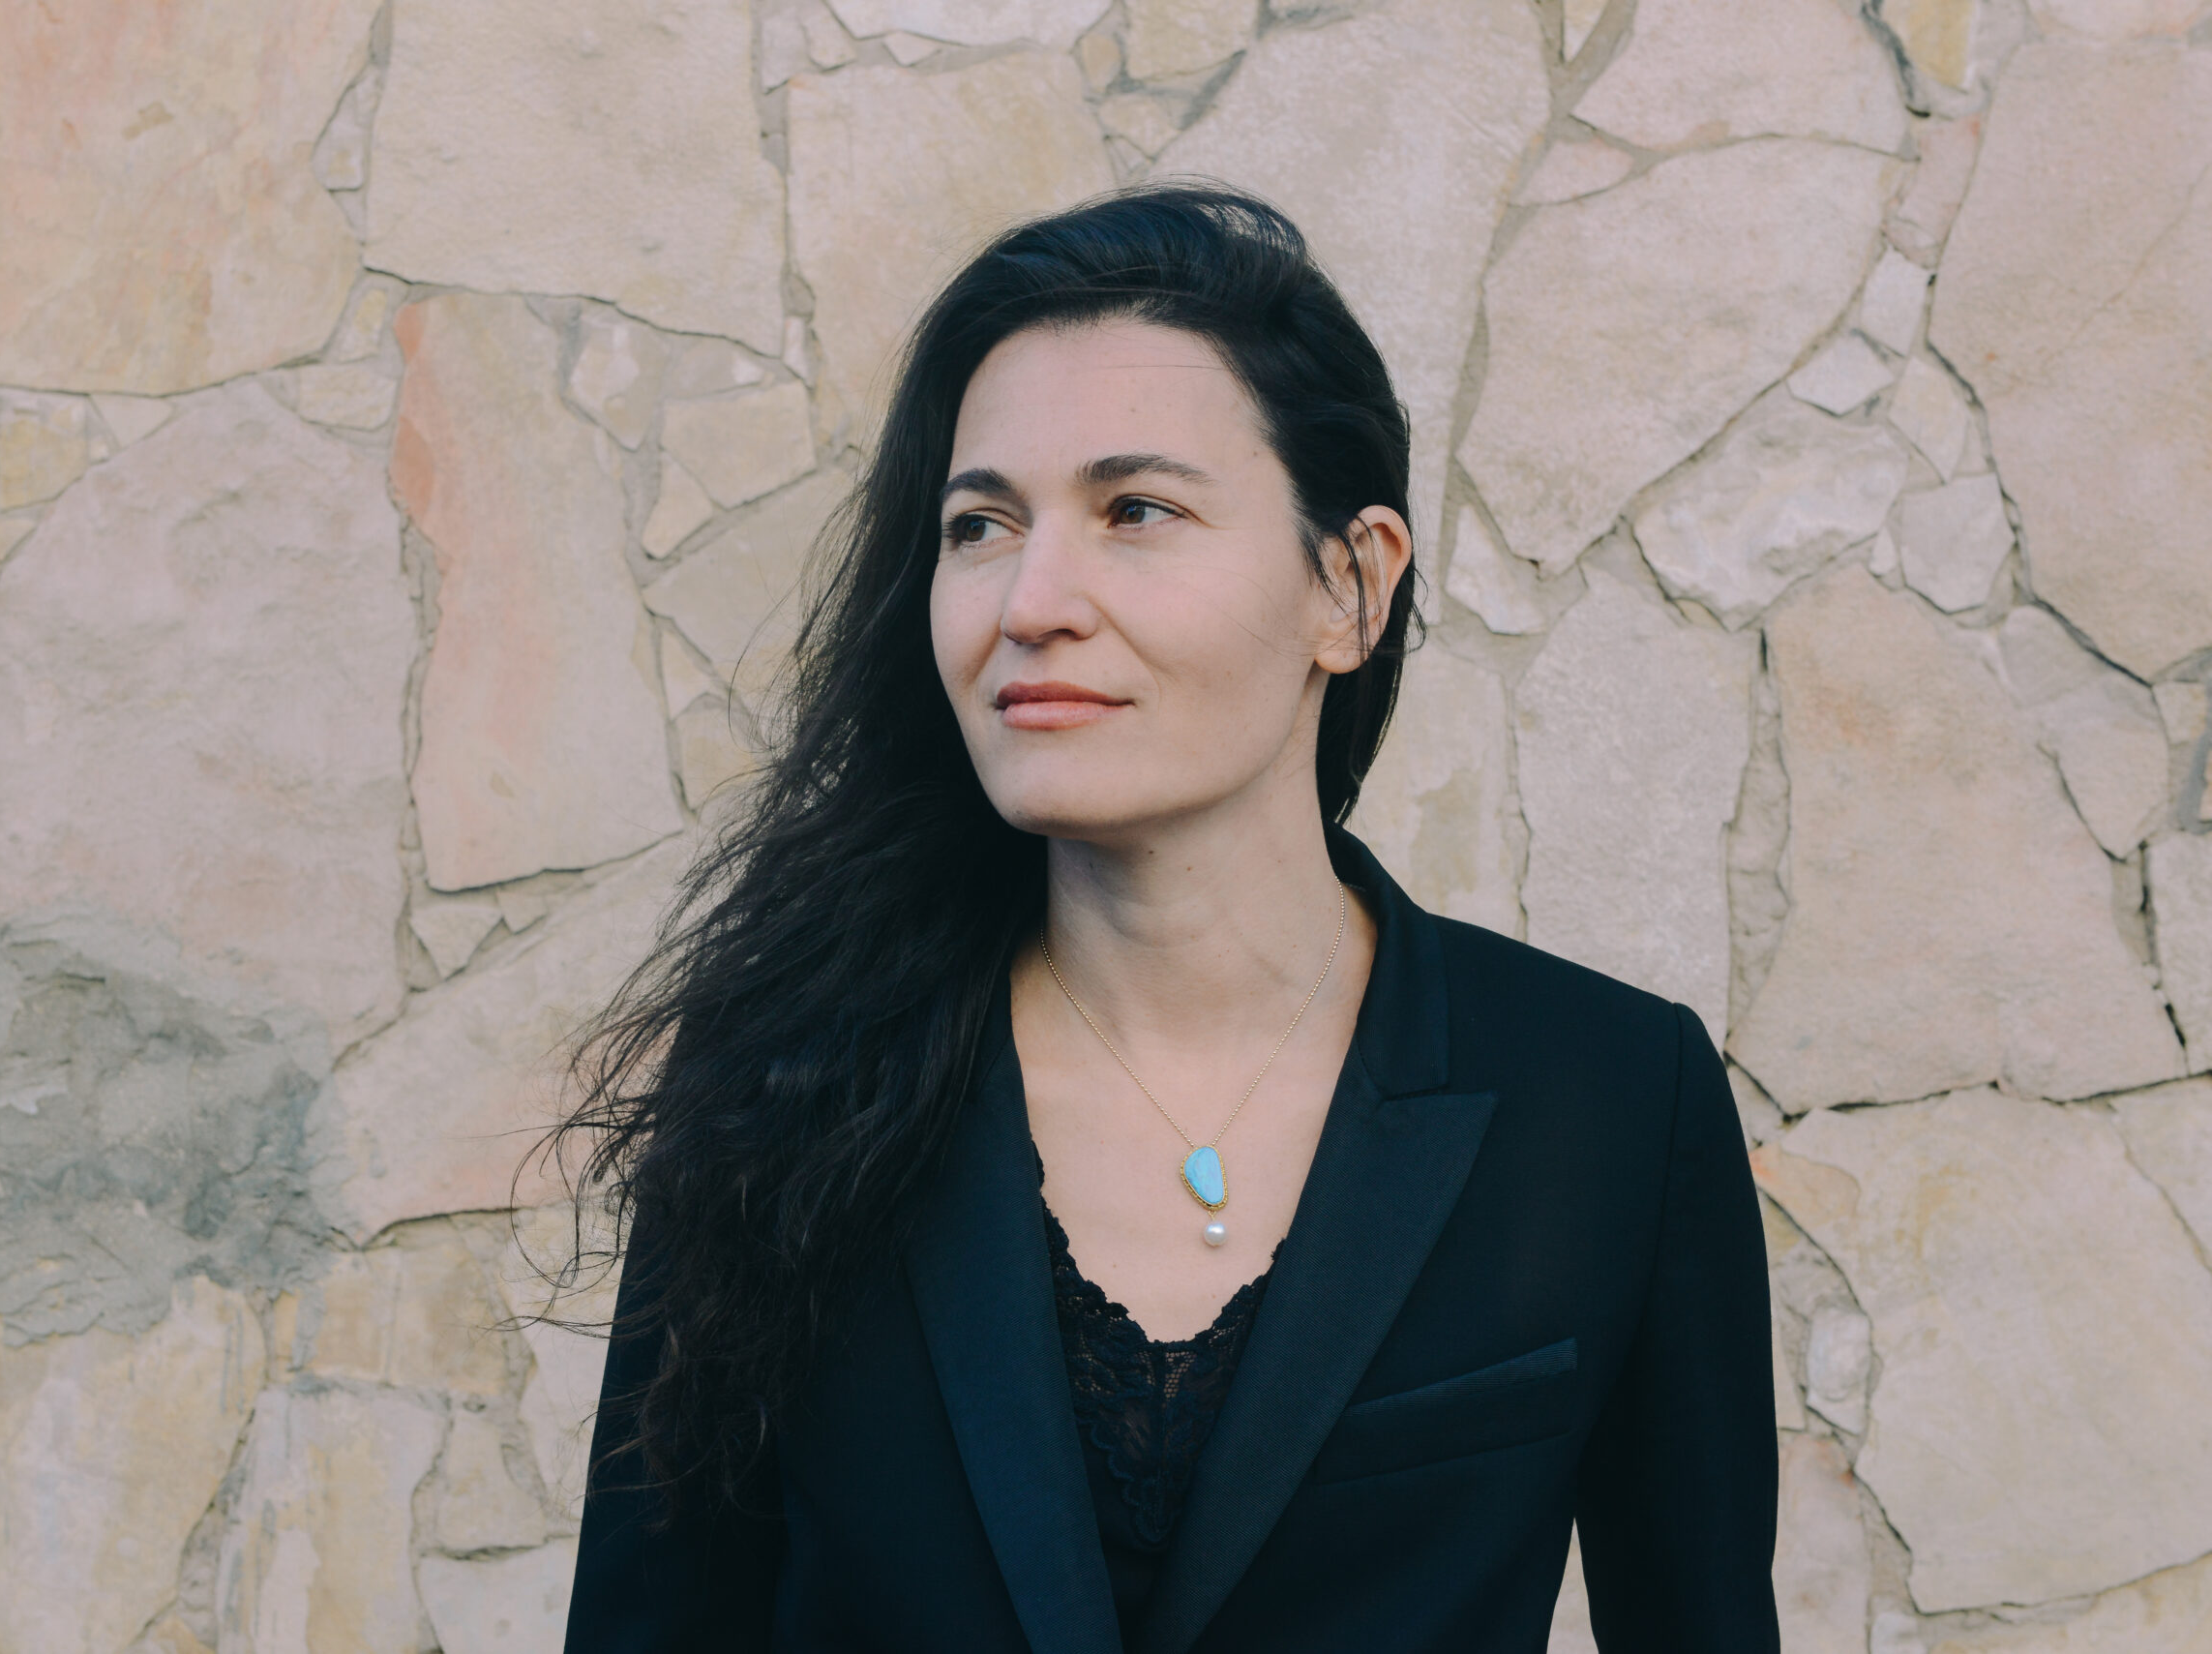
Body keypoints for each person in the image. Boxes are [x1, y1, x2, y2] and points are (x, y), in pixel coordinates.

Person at [555, 185, 1779, 1650]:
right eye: (980, 524)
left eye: (1136, 510)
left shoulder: (1611, 1097)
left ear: (1351, 586)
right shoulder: (782, 1081)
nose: (1031, 600)